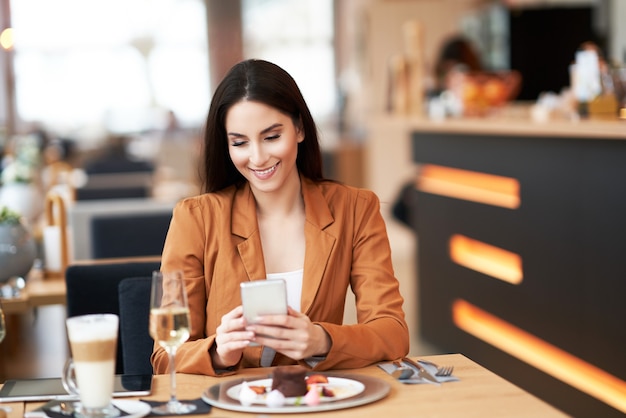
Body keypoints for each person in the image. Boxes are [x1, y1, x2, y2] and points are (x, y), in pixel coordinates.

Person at [151, 59, 410, 376]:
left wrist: (321, 340)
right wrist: (218, 351)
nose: (258, 158)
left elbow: (393, 333)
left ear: (299, 128)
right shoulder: (196, 219)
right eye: (240, 142)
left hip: (319, 401)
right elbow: (165, 357)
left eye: (271, 136)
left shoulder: (355, 209)